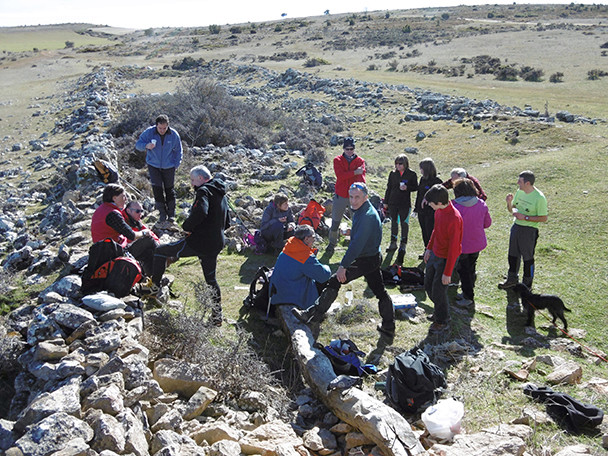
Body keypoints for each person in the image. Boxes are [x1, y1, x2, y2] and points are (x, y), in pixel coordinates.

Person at [292, 183, 396, 338]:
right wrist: (352, 231)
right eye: (351, 197)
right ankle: (389, 325)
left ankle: (313, 315)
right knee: (379, 290)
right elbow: (362, 235)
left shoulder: (367, 215)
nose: (353, 201)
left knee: (335, 280)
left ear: (365, 197)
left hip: (367, 259)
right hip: (372, 256)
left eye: (357, 197)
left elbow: (356, 246)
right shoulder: (363, 210)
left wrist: (343, 266)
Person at [151, 165, 229, 324]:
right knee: (211, 279)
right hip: (216, 242)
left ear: (201, 178)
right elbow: (226, 221)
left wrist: (187, 228)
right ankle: (217, 317)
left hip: (200, 242)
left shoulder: (203, 191)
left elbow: (201, 211)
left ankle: (152, 291)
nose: (192, 184)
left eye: (193, 180)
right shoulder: (221, 192)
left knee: (160, 251)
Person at [498, 170, 548, 290]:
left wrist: (525, 217)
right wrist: (509, 203)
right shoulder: (519, 192)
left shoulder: (539, 198)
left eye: (520, 181)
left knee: (527, 258)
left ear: (528, 183)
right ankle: (512, 280)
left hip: (529, 231)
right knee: (513, 255)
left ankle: (527, 285)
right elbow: (513, 210)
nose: (517, 183)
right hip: (516, 227)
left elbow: (544, 218)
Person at [423, 184, 463, 332]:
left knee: (439, 290)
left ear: (439, 203)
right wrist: (428, 248)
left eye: (431, 203)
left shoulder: (454, 218)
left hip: (447, 258)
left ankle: (442, 320)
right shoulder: (439, 211)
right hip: (435, 253)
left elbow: (454, 248)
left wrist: (448, 272)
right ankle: (440, 310)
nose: (429, 205)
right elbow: (435, 230)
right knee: (428, 285)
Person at [91, 184, 156, 273]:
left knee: (147, 253)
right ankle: (162, 263)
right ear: (114, 198)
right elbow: (131, 235)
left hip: (103, 250)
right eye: (123, 196)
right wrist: (144, 233)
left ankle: (148, 278)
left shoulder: (101, 209)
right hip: (113, 253)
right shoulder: (113, 213)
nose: (126, 199)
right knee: (149, 241)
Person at [135, 114, 183, 225]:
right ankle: (162, 214)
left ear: (168, 126)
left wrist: (176, 164)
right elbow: (138, 145)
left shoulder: (173, 134)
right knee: (157, 189)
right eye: (160, 128)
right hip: (154, 166)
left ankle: (171, 214)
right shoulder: (149, 132)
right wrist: (146, 146)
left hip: (169, 166)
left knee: (169, 190)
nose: (162, 130)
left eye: (164, 128)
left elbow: (179, 151)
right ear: (156, 125)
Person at [269, 225, 331, 310]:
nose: (314, 239)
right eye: (313, 237)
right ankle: (315, 310)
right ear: (306, 239)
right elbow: (324, 275)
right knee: (325, 281)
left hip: (277, 294)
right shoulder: (304, 256)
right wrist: (327, 267)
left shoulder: (288, 247)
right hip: (292, 298)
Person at [452, 179, 492, 306]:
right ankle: (467, 291)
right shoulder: (481, 204)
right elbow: (487, 223)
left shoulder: (454, 206)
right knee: (471, 267)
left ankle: (468, 297)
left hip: (462, 245)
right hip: (477, 244)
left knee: (463, 270)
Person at [327, 137, 366, 253]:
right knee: (335, 221)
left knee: (357, 221)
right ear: (343, 148)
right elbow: (340, 176)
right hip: (341, 195)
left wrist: (349, 174)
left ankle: (355, 244)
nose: (349, 151)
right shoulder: (337, 160)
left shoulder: (360, 161)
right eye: (347, 148)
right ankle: (332, 243)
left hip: (355, 197)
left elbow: (361, 179)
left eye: (351, 148)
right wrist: (354, 172)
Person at [383, 154, 418, 260]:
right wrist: (386, 201)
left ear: (405, 164)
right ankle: (393, 243)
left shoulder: (411, 174)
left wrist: (407, 188)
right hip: (393, 202)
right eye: (396, 164)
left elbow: (416, 187)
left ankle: (403, 244)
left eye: (400, 164)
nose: (398, 166)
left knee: (404, 224)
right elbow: (388, 188)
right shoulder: (393, 174)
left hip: (405, 204)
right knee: (394, 222)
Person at [414, 158, 442, 258]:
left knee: (430, 231)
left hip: (431, 211)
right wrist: (416, 208)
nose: (420, 170)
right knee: (424, 231)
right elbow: (419, 194)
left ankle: (433, 252)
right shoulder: (422, 179)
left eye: (421, 168)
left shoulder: (437, 181)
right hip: (421, 211)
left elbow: (439, 196)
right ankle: (427, 250)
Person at [122, 201, 160, 276]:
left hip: (132, 248)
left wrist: (158, 243)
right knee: (148, 241)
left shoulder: (135, 220)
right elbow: (129, 237)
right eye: (137, 211)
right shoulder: (122, 220)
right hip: (124, 251)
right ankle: (163, 255)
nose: (140, 214)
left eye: (141, 211)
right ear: (129, 211)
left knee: (149, 251)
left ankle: (153, 278)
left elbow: (149, 232)